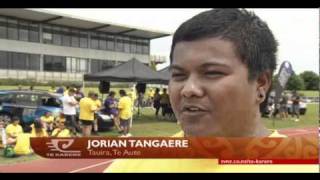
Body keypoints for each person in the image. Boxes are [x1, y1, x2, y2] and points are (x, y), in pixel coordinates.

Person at [105, 9, 300, 173]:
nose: (188, 90)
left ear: (261, 83)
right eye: (179, 76)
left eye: (212, 73)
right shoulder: (131, 165)